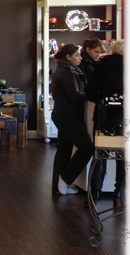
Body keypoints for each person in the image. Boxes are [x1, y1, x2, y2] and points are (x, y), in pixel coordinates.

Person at [50, 43, 93, 196]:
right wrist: (91, 94)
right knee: (87, 148)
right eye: (77, 55)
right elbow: (74, 95)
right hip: (67, 115)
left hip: (63, 114)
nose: (80, 58)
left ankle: (58, 186)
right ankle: (66, 178)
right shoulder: (67, 71)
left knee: (64, 149)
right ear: (68, 57)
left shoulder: (65, 69)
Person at [87, 39, 126, 208]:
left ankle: (95, 195)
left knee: (100, 155)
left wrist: (103, 100)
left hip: (104, 116)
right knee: (123, 157)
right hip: (124, 116)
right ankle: (119, 195)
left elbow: (90, 92)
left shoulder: (102, 64)